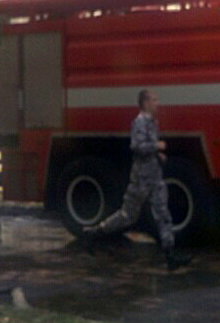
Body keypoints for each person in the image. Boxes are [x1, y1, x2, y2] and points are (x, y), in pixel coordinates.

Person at [79, 90, 191, 271]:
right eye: (154, 100)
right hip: (141, 178)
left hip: (154, 175)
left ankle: (170, 255)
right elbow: (137, 146)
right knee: (128, 215)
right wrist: (156, 146)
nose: (158, 103)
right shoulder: (139, 122)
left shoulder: (152, 122)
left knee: (163, 212)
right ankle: (93, 233)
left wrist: (158, 154)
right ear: (145, 103)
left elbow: (146, 148)